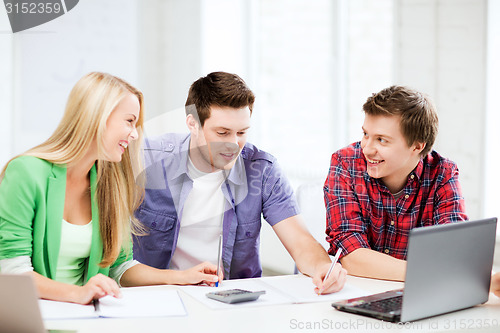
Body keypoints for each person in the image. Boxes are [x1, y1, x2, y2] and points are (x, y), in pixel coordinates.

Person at [0, 72, 219, 305]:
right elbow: (12, 269)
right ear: (97, 117)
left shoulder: (110, 182)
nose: (134, 134)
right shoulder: (25, 172)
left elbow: (120, 267)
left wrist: (182, 277)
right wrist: (79, 293)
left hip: (87, 316)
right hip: (38, 314)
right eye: (129, 121)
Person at [133, 71, 346, 295]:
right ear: (192, 123)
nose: (234, 144)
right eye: (222, 133)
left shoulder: (262, 170)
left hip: (233, 299)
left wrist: (322, 267)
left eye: (242, 132)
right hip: (160, 294)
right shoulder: (146, 161)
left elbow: (301, 241)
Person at [324, 85, 468, 281]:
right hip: (355, 289)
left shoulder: (443, 173)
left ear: (417, 146)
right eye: (366, 134)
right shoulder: (346, 163)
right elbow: (352, 255)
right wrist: (432, 271)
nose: (367, 149)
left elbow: (454, 249)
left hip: (416, 292)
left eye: (382, 140)